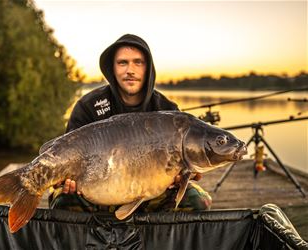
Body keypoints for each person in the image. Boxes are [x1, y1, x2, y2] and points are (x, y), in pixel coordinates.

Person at [48, 34, 212, 212]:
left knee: (198, 201)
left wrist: (183, 176)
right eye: (122, 63)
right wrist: (65, 181)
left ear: (148, 68)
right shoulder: (88, 106)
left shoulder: (167, 110)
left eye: (138, 62)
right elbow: (65, 155)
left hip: (152, 193)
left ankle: (160, 238)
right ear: (113, 68)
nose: (130, 70)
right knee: (62, 201)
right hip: (97, 192)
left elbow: (185, 166)